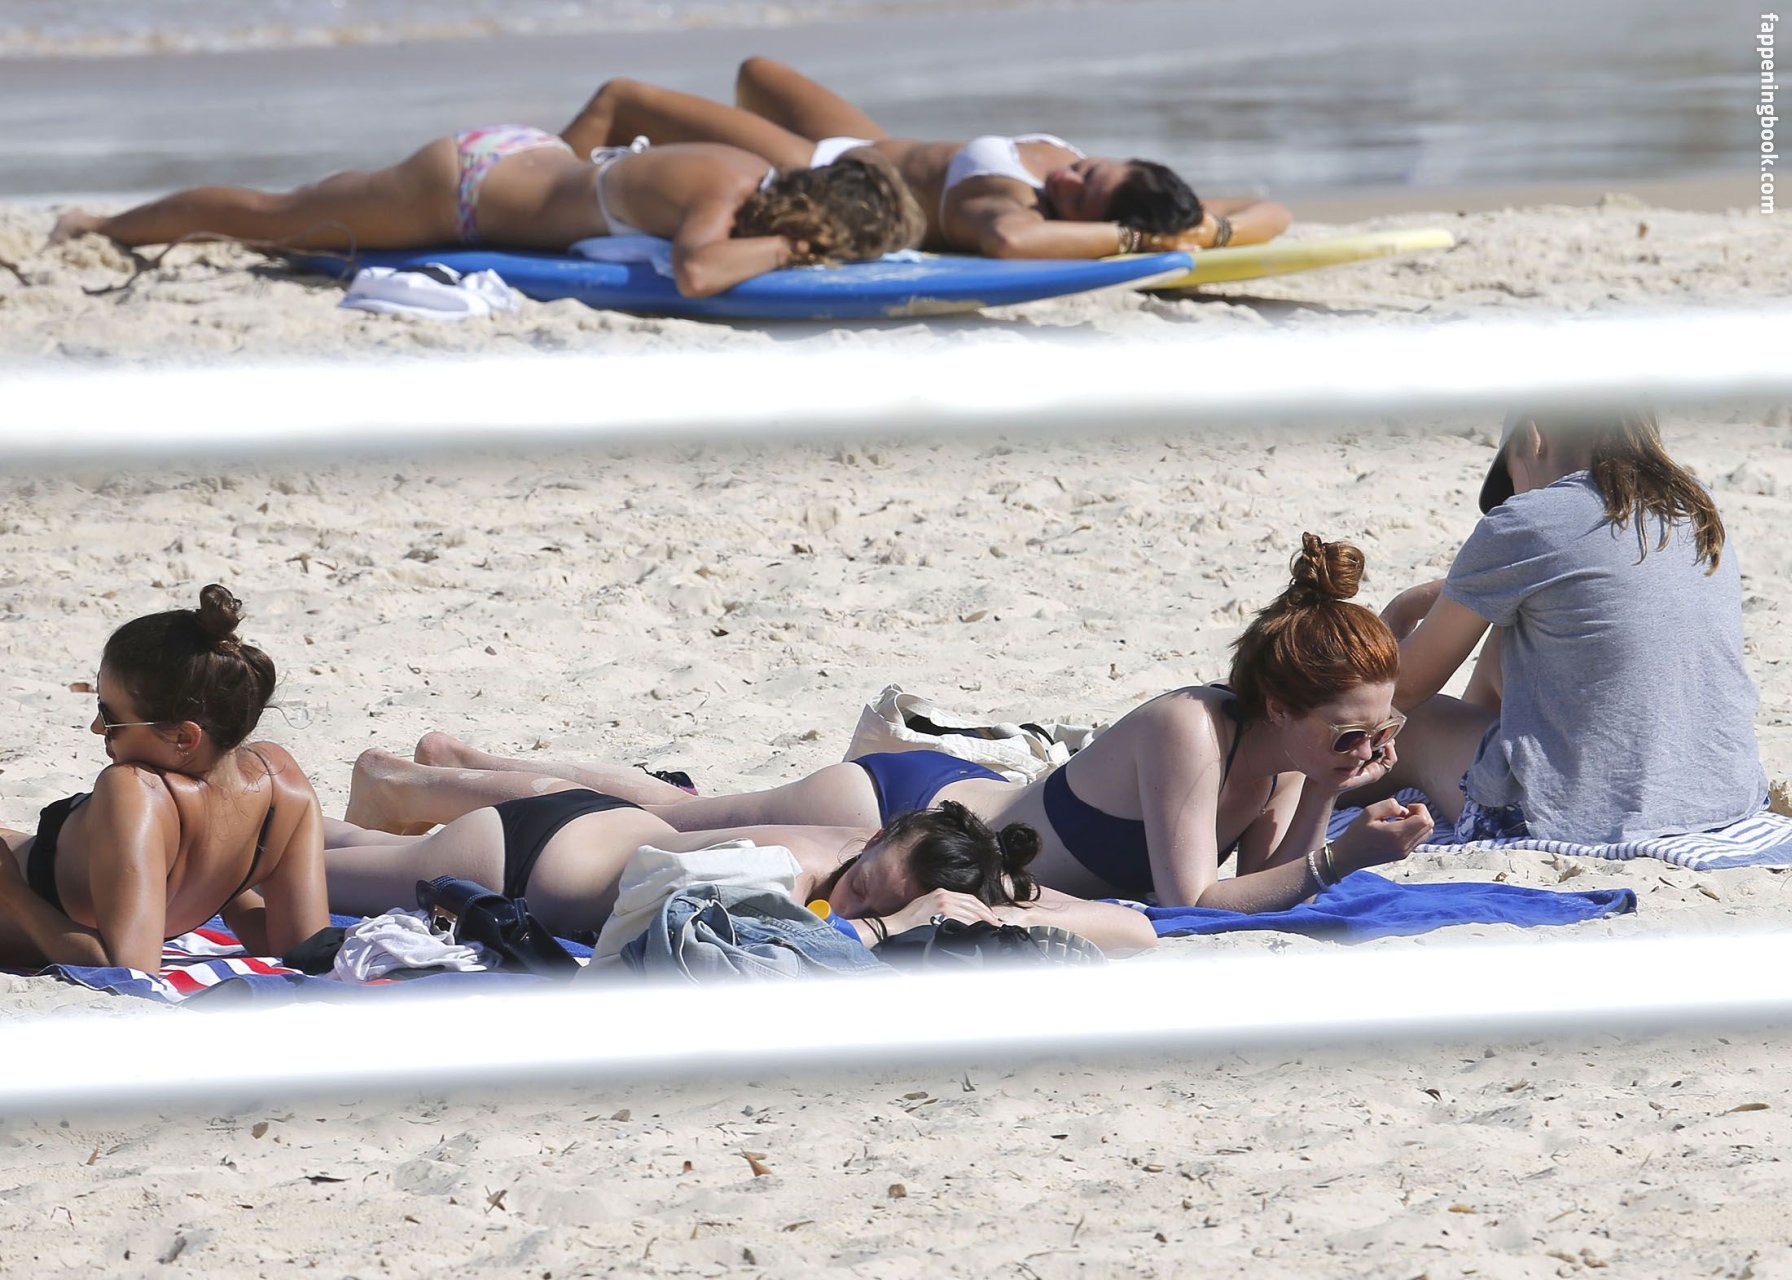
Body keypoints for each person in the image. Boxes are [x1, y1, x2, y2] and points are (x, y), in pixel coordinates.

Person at [347, 536, 1434, 912]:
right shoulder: (1188, 729)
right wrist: (1340, 853)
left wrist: (1330, 792)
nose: (1368, 748)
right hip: (906, 806)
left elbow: (1266, 882)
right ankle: (441, 779)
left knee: (677, 814)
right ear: (1282, 704)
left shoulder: (1291, 757)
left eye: (1376, 730)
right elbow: (1189, 899)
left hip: (950, 822)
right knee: (673, 817)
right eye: (1350, 733)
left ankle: (451, 778)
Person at [1376, 407, 1767, 844]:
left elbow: (1402, 692)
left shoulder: (1527, 519)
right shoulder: (1695, 503)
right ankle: (1480, 760)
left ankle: (1324, 802)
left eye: (1510, 477)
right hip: (1725, 798)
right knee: (1511, 634)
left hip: (1574, 816)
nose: (1514, 494)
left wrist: (1398, 614)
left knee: (1412, 724)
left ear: (1534, 435)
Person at [48, 129, 926, 299]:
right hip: (462, 194)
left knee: (320, 198)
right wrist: (788, 251)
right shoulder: (723, 195)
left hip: (515, 157)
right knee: (274, 217)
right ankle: (95, 225)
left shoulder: (744, 172)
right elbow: (698, 271)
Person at [557, 57, 1292, 259]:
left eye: (1077, 195)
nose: (1067, 179)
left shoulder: (1009, 205)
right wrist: (1208, 231)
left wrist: (1132, 240)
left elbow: (1011, 242)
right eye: (1088, 169)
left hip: (820, 169)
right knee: (758, 71)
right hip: (863, 143)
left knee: (623, 97)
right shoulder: (1129, 193)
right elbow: (1274, 211)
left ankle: (536, 178)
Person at [324, 789, 1158, 956]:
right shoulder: (793, 873)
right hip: (522, 860)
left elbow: (1135, 926)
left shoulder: (922, 856)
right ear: (874, 841)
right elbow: (782, 950)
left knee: (350, 848)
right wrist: (887, 921)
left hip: (598, 831)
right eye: (863, 883)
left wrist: (999, 910)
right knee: (317, 876)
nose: (853, 900)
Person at [0, 587, 329, 974]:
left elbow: (128, 971)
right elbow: (301, 945)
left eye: (110, 718)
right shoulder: (282, 784)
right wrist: (225, 890)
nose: (96, 728)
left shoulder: (134, 789)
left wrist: (13, 894)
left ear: (184, 738)